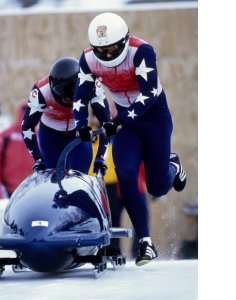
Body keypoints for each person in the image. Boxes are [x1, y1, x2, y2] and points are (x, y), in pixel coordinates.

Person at [73, 12, 187, 265]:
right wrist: (79, 125)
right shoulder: (88, 58)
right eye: (101, 50)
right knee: (125, 175)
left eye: (112, 48)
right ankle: (146, 242)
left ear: (124, 40)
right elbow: (81, 96)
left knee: (157, 186)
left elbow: (147, 94)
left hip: (154, 118)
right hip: (126, 122)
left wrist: (120, 119)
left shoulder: (142, 51)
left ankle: (173, 165)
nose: (108, 55)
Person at [21, 57, 110, 174]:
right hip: (50, 135)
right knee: (52, 178)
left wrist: (100, 157)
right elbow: (27, 126)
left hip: (78, 131)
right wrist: (38, 159)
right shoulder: (41, 92)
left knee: (79, 178)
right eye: (65, 98)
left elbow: (107, 123)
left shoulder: (92, 86)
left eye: (73, 99)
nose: (69, 103)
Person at [0, 102, 34, 199]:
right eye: (25, 111)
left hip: (29, 191)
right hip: (7, 192)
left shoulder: (39, 138)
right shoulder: (6, 136)